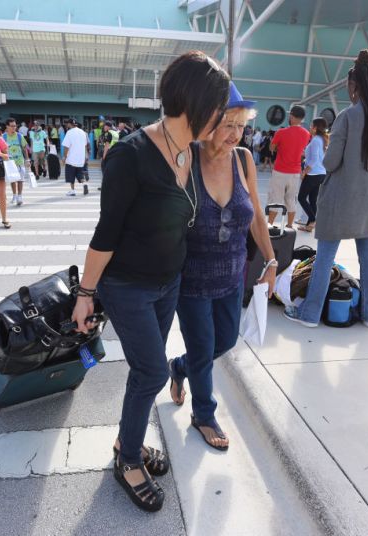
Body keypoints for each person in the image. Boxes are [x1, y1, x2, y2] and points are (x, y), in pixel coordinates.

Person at [71, 51, 230, 512]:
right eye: (217, 108)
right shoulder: (131, 154)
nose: (221, 118)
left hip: (169, 283)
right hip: (127, 287)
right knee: (154, 371)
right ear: (196, 103)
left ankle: (129, 442)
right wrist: (85, 293)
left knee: (145, 372)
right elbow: (106, 232)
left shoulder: (190, 152)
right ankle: (128, 459)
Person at [167, 82, 277, 451]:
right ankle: (204, 414)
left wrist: (272, 260)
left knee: (225, 341)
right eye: (226, 125)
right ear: (205, 123)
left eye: (241, 125)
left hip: (233, 275)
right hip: (191, 279)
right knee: (203, 349)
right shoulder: (186, 158)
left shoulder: (244, 159)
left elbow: (256, 214)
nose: (235, 134)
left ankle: (180, 368)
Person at [284, 49, 368, 328]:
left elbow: (330, 161)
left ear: (355, 86)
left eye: (348, 87)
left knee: (325, 257)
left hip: (340, 200)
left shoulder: (348, 117)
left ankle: (310, 314)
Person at [269, 105, 310, 227]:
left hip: (280, 171)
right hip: (295, 172)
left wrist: (278, 147)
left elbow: (272, 148)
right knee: (291, 200)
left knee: (276, 199)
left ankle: (270, 225)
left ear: (291, 116)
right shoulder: (306, 134)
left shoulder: (281, 132)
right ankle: (289, 226)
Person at [298, 117, 329, 233]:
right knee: (312, 199)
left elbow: (315, 159)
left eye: (311, 126)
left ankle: (312, 219)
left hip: (313, 173)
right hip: (320, 173)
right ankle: (309, 225)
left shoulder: (316, 140)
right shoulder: (321, 139)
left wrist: (305, 171)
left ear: (315, 128)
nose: (310, 128)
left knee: (301, 197)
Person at [3, 118, 29, 206]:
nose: (14, 127)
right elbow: (0, 149)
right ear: (7, 126)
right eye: (12, 126)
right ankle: (14, 195)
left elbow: (25, 148)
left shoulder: (19, 136)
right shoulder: (4, 137)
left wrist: (27, 160)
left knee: (20, 180)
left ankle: (20, 196)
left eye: (15, 126)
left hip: (19, 161)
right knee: (12, 180)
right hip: (9, 162)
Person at [62, 119, 90, 197]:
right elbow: (85, 146)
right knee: (80, 175)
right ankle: (84, 184)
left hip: (71, 159)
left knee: (71, 176)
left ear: (70, 124)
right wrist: (85, 156)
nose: (66, 125)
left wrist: (64, 156)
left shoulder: (69, 132)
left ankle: (72, 191)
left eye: (67, 123)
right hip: (80, 159)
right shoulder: (83, 132)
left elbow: (66, 146)